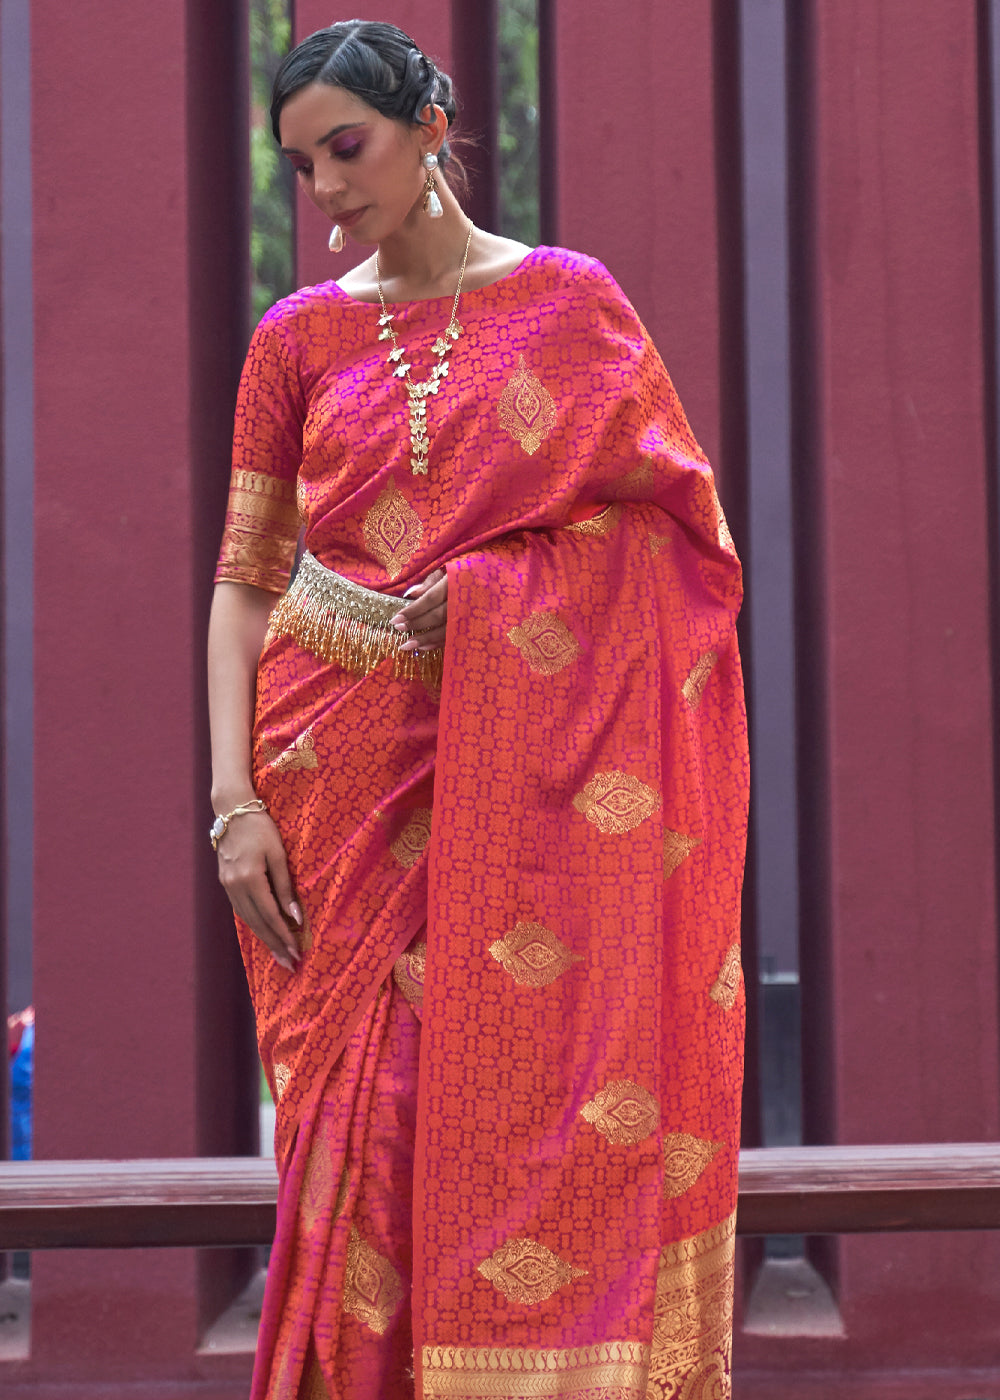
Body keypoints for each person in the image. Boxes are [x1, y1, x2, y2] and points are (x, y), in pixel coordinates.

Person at [208, 19, 748, 1400]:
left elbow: (683, 550)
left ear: (433, 127)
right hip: (327, 789)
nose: (325, 186)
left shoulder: (575, 308)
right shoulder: (297, 338)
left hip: (528, 791)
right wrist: (234, 807)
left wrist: (508, 603)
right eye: (301, 164)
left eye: (349, 147)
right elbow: (247, 584)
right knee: (364, 1131)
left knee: (490, 1116)